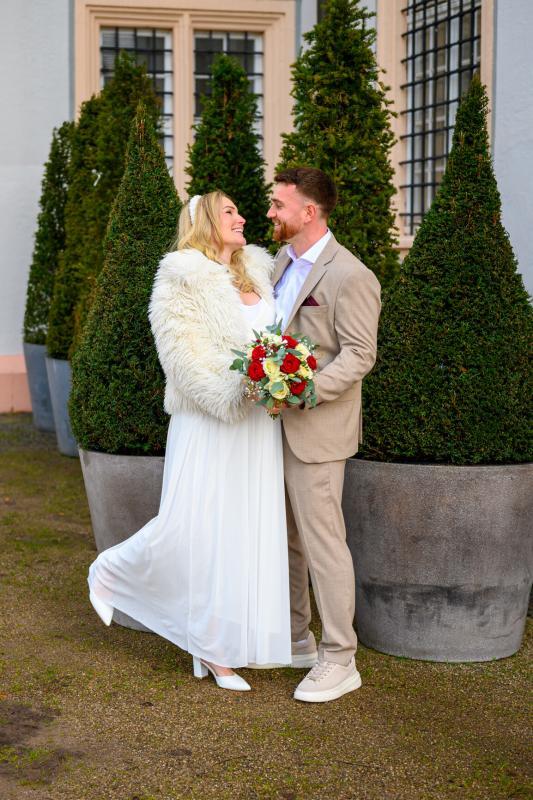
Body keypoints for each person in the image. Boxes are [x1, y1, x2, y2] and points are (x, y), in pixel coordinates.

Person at [88, 191, 291, 691]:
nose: (242, 218)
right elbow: (180, 358)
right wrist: (237, 388)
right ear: (205, 221)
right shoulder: (180, 277)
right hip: (210, 419)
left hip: (258, 425)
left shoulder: (258, 273)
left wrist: (279, 377)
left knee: (243, 529)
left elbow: (274, 343)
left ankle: (222, 641)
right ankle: (112, 571)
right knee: (196, 527)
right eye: (229, 212)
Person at [267, 167, 381, 703]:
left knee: (323, 543)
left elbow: (359, 355)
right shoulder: (279, 261)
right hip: (271, 426)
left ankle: (340, 657)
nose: (271, 212)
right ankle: (298, 639)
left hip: (318, 427)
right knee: (286, 538)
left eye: (279, 205)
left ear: (308, 212)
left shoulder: (351, 275)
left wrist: (304, 392)